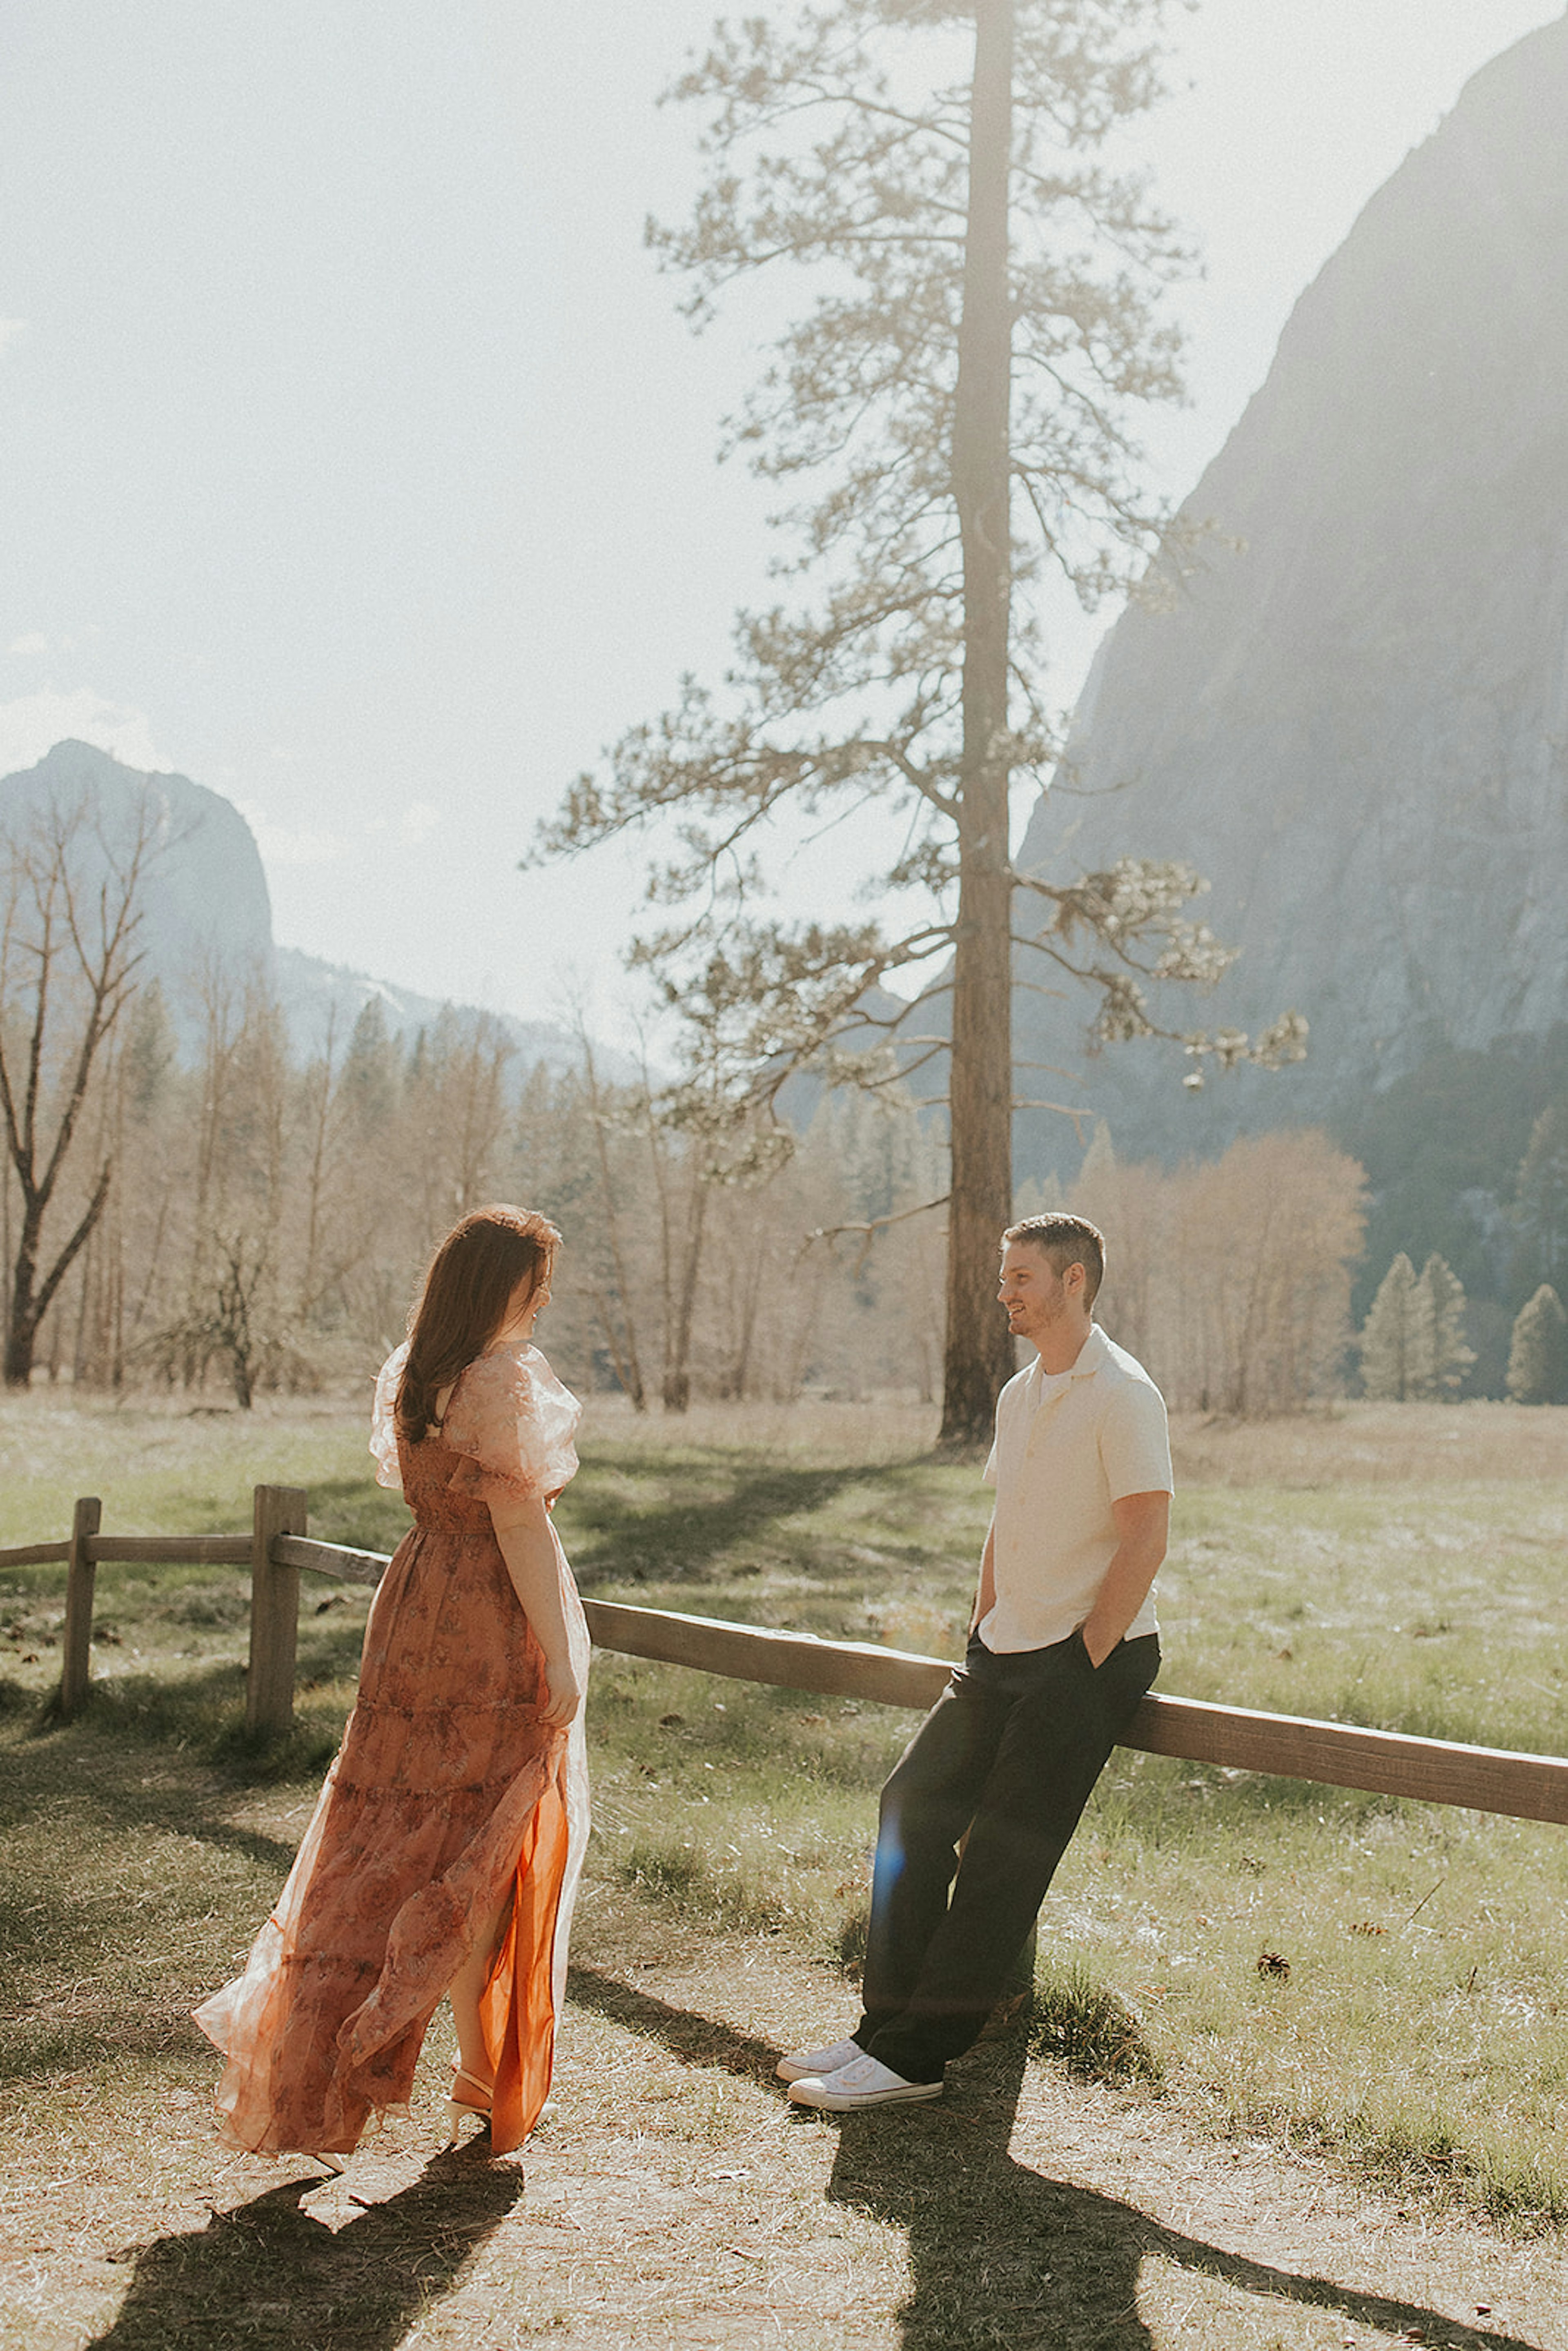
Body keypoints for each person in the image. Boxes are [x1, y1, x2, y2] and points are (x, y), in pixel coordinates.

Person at [193, 1204, 590, 2165]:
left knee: (395, 1829)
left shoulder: (417, 1366)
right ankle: (475, 2068)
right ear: (500, 1285)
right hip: (486, 1620)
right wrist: (566, 1653)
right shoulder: (499, 1379)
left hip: (414, 1604)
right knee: (480, 1841)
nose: (545, 1298)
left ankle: (440, 2061)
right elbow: (520, 1529)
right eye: (536, 1279)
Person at [782, 1211, 1171, 2113]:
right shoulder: (1023, 1390)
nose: (1005, 1293)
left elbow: (1147, 1533)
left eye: (1022, 1278)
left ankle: (919, 2055)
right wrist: (982, 1623)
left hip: (1084, 1659)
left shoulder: (1125, 1392)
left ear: (1075, 1281)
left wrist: (1086, 1656)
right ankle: (880, 2029)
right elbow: (1009, 1516)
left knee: (1001, 1855)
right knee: (909, 1805)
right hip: (1001, 1649)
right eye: (1005, 1278)